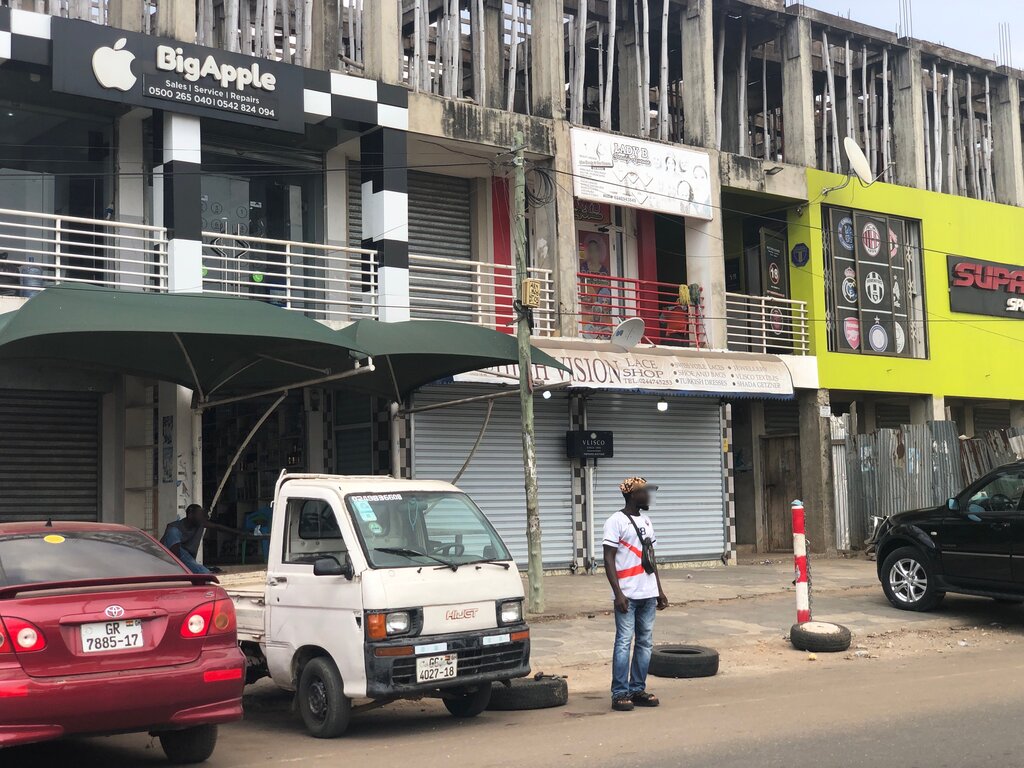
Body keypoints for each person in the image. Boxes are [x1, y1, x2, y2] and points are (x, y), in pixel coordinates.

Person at [602, 476, 669, 712]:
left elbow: (651, 559)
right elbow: (608, 558)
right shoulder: (615, 521)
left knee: (645, 643)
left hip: (648, 593)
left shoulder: (648, 521)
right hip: (627, 594)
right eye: (645, 492)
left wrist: (659, 590)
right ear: (633, 495)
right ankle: (619, 693)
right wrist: (618, 593)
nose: (649, 496)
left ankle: (637, 689)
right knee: (623, 642)